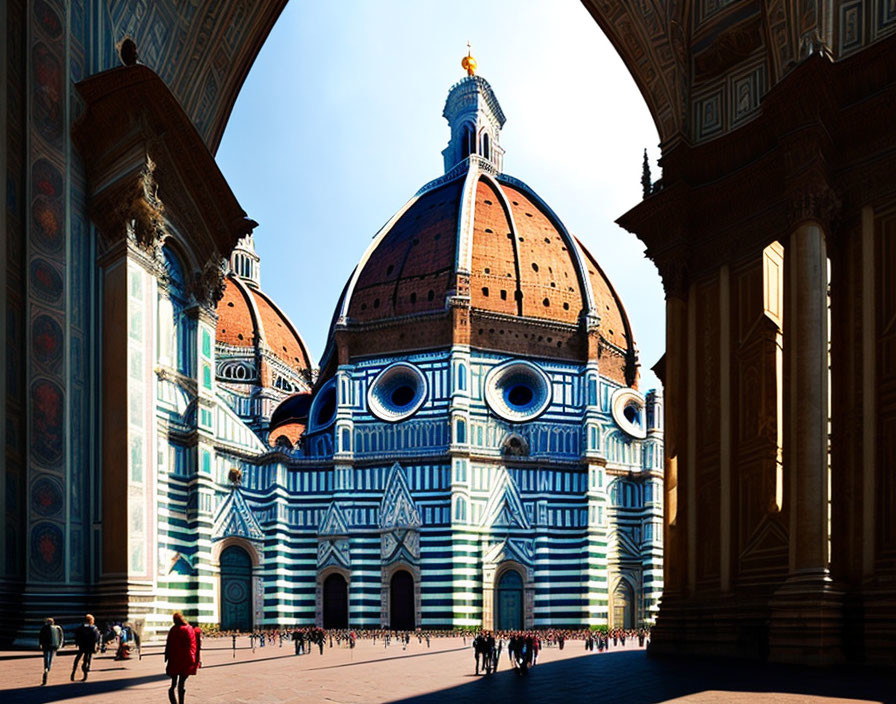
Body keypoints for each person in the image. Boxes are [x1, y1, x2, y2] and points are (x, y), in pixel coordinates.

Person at [164, 612, 197, 704]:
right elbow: (193, 645)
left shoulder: (173, 629)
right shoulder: (189, 629)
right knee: (181, 684)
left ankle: (174, 702)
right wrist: (194, 659)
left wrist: (166, 658)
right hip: (186, 660)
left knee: (173, 684)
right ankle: (181, 702)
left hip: (174, 660)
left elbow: (168, 645)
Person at [71, 614, 100, 681]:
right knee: (86, 660)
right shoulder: (94, 628)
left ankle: (73, 672)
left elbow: (76, 636)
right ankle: (85, 675)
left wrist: (77, 643)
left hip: (82, 645)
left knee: (77, 659)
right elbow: (96, 638)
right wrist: (96, 646)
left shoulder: (80, 627)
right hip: (89, 646)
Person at [38, 617, 64, 685]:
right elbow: (60, 636)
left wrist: (40, 644)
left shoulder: (44, 628)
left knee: (46, 656)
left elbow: (41, 636)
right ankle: (48, 668)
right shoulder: (57, 628)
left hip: (46, 645)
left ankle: (46, 668)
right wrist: (59, 645)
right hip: (53, 645)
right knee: (51, 657)